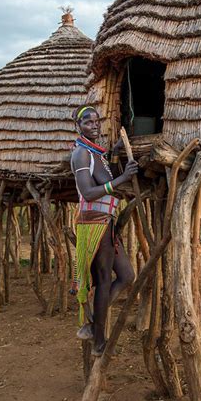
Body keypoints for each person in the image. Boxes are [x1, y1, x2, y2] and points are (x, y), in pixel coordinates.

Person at [70, 104, 138, 356]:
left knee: (127, 275)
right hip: (94, 224)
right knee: (104, 281)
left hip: (106, 223)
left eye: (97, 121)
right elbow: (88, 191)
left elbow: (101, 174)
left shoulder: (96, 153)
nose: (94, 125)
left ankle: (92, 324)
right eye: (88, 123)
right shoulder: (80, 154)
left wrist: (113, 154)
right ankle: (99, 341)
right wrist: (122, 179)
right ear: (78, 127)